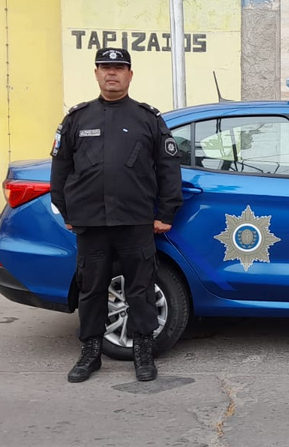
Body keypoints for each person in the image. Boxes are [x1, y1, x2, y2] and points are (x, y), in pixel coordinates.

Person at [50, 48, 183, 383]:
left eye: (119, 68)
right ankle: (90, 352)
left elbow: (168, 167)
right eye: (106, 67)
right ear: (96, 73)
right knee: (91, 288)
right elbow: (60, 168)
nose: (112, 73)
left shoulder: (147, 118)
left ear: (130, 75)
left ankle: (143, 350)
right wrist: (66, 210)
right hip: (91, 221)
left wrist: (166, 211)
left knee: (141, 287)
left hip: (136, 220)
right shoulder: (77, 119)